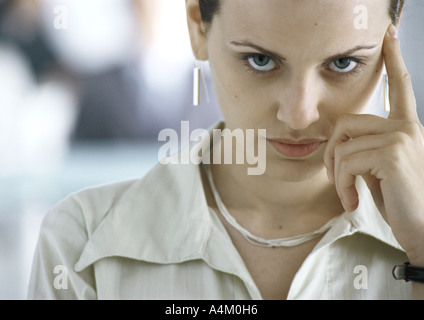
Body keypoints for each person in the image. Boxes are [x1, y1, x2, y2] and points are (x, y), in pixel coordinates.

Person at [28, 0, 424, 300]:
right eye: (261, 59)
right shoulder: (80, 246)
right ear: (198, 28)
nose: (299, 115)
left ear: (392, 35)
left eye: (342, 63)